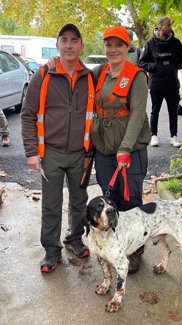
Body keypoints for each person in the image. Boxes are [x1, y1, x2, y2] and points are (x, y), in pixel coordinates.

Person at [21, 23, 94, 273]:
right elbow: (27, 114)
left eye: (75, 40)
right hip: (50, 154)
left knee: (79, 203)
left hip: (80, 155)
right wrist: (32, 152)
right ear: (57, 45)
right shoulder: (43, 75)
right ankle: (51, 251)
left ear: (82, 45)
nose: (69, 44)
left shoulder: (90, 76)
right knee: (51, 205)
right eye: (64, 40)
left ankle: (74, 238)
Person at [91, 26, 151, 273]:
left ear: (128, 47)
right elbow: (74, 75)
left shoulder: (137, 76)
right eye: (108, 45)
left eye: (119, 45)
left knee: (131, 203)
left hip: (130, 152)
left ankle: (135, 252)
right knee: (110, 200)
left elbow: (137, 115)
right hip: (104, 151)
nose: (113, 50)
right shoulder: (99, 72)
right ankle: (115, 248)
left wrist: (125, 148)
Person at [139, 17, 182, 147]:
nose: (170, 27)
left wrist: (175, 66)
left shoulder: (176, 42)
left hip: (172, 83)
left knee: (173, 111)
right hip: (156, 83)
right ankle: (153, 135)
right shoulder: (150, 43)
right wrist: (154, 67)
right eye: (167, 25)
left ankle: (174, 136)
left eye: (170, 25)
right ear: (160, 28)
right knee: (155, 110)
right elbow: (142, 62)